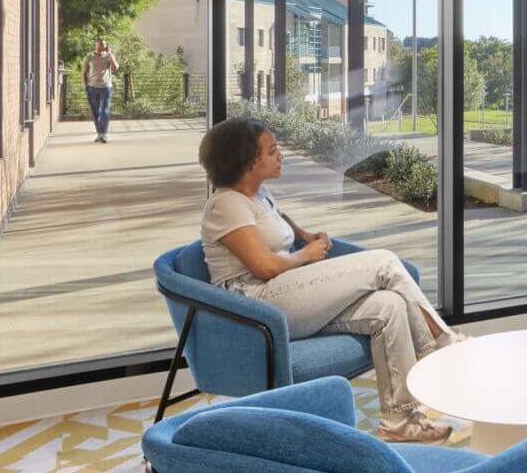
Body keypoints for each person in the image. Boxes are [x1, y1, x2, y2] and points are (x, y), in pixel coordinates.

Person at [197, 116, 459, 443]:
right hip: (256, 307)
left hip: (282, 296)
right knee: (385, 264)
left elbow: (275, 224)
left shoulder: (258, 197)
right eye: (272, 150)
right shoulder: (225, 204)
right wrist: (305, 255)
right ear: (247, 160)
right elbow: (263, 266)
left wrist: (304, 236)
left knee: (388, 307)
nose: (281, 155)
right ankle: (442, 346)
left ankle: (401, 422)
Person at [83, 38, 119, 142]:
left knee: (104, 111)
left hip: (106, 88)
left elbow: (115, 67)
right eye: (101, 45)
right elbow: (84, 73)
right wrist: (85, 86)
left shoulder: (108, 56)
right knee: (95, 113)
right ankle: (100, 134)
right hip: (92, 88)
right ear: (96, 45)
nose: (103, 46)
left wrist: (110, 54)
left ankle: (105, 135)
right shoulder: (89, 57)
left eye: (104, 44)